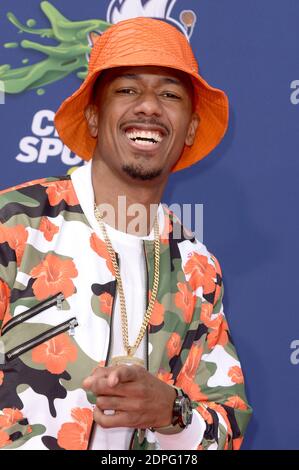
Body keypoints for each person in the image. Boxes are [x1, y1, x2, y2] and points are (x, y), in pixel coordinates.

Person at [0, 17, 252, 450]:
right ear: (94, 117)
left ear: (189, 128)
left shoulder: (197, 267)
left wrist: (172, 412)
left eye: (170, 94)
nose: (150, 107)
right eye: (128, 89)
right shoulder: (16, 224)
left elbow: (226, 429)